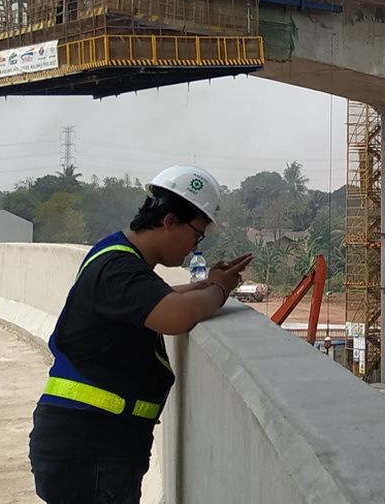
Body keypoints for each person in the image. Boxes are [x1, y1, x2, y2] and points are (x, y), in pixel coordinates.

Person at [28, 164, 253, 503]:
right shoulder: (118, 268)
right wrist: (219, 290)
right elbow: (175, 317)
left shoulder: (118, 256)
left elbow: (155, 298)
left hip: (94, 444)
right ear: (169, 222)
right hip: (89, 449)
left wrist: (206, 284)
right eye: (197, 234)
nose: (195, 247)